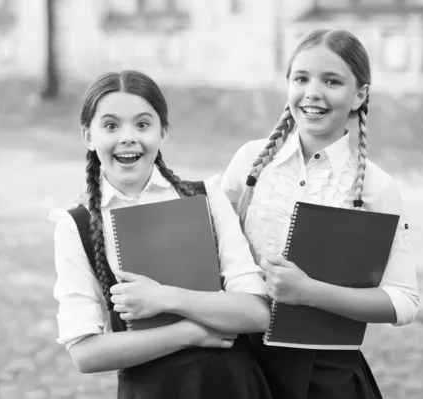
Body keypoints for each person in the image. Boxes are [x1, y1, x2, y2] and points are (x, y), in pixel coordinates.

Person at [221, 29, 420, 399]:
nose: (313, 92)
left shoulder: (375, 187)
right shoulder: (250, 162)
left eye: (331, 81)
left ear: (359, 95)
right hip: (240, 365)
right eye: (301, 78)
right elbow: (207, 243)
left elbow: (403, 301)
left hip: (325, 376)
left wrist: (309, 292)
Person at [50, 70, 273, 399]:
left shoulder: (207, 197)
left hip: (232, 383)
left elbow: (256, 313)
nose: (128, 137)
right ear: (88, 135)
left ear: (163, 132)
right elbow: (85, 353)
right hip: (152, 390)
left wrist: (165, 299)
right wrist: (191, 332)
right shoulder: (76, 225)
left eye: (142, 124)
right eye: (111, 125)